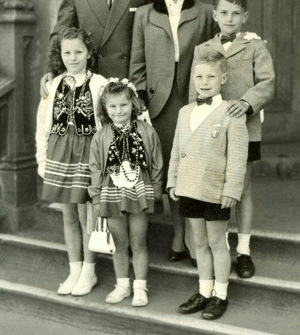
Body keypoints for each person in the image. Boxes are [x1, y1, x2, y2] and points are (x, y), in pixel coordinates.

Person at [129, 0, 218, 264]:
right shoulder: (144, 15)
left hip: (194, 100)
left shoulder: (206, 13)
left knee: (193, 172)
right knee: (168, 171)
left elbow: (216, 56)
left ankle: (191, 240)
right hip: (159, 106)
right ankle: (179, 235)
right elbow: (137, 64)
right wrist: (139, 99)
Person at [189, 0, 275, 278]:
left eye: (235, 13)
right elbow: (194, 90)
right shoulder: (203, 49)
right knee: (215, 188)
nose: (229, 18)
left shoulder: (255, 47)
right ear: (215, 15)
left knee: (242, 188)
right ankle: (219, 248)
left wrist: (247, 103)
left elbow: (266, 82)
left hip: (244, 128)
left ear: (245, 16)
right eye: (224, 12)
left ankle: (245, 250)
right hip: (212, 132)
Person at [168, 50, 248, 320]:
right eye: (199, 76)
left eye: (211, 76)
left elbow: (237, 157)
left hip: (215, 191)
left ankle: (220, 295)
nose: (204, 81)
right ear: (193, 79)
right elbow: (177, 148)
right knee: (198, 243)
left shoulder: (231, 113)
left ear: (223, 78)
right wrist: (172, 181)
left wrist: (232, 190)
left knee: (217, 243)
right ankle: (204, 291)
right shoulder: (185, 112)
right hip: (189, 187)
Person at [36, 27, 106, 296]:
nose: (73, 57)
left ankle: (89, 270)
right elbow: (43, 124)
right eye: (67, 52)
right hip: (58, 155)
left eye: (79, 52)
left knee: (85, 214)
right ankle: (74, 269)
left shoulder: (99, 84)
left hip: (87, 157)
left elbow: (105, 125)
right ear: (60, 55)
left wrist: (102, 164)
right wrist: (42, 159)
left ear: (89, 53)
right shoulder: (53, 85)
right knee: (68, 214)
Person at [88, 79, 163, 307]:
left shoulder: (147, 131)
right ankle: (122, 285)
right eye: (112, 106)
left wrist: (156, 190)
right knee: (120, 244)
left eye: (123, 105)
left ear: (133, 104)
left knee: (138, 242)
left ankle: (140, 287)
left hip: (139, 192)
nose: (118, 111)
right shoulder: (101, 136)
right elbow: (96, 169)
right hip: (111, 194)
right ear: (105, 109)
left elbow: (157, 162)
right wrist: (97, 197)